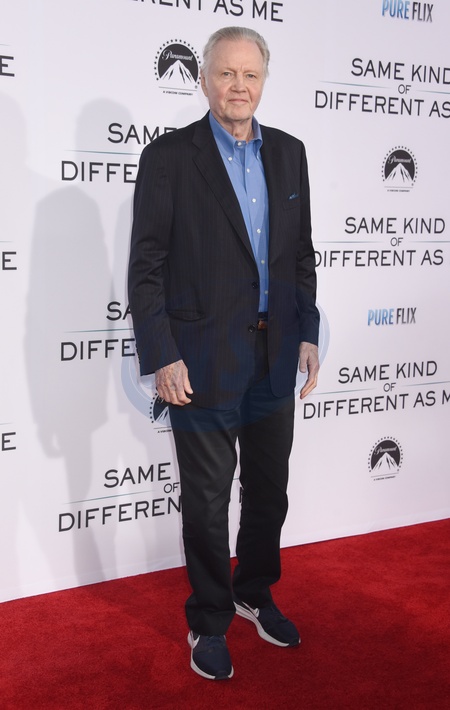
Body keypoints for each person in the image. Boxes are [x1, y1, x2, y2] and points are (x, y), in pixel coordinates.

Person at [128, 26, 320, 680]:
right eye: (226, 73)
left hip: (275, 354)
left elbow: (300, 255)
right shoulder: (169, 158)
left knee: (268, 492)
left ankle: (253, 591)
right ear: (204, 79)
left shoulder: (290, 153)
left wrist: (308, 332)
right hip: (201, 358)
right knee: (207, 503)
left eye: (250, 74)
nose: (239, 86)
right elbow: (146, 267)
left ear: (264, 80)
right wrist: (163, 353)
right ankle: (208, 619)